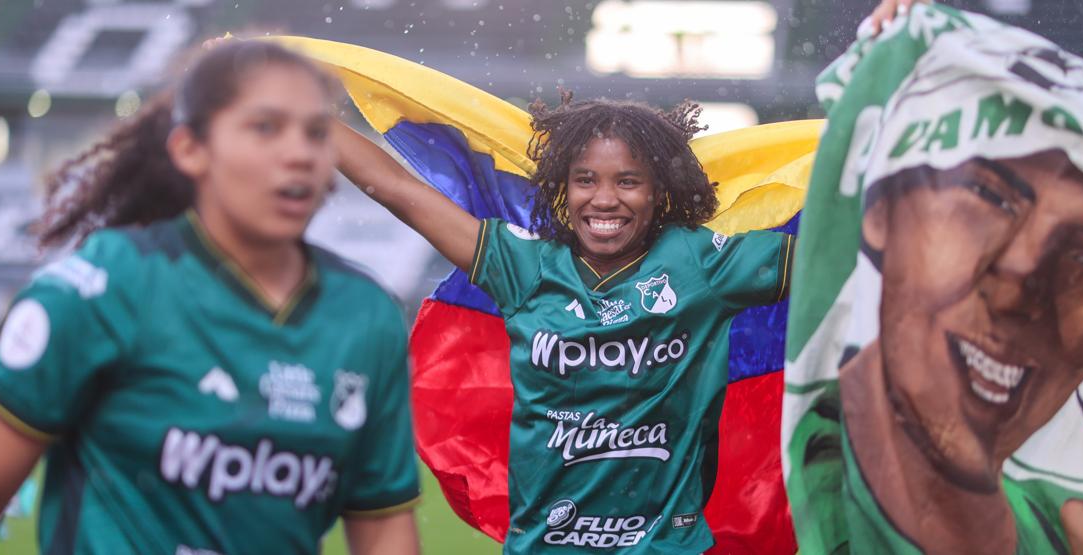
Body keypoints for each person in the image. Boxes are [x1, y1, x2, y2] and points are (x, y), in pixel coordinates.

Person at [0, 41, 421, 555]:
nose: (300, 153)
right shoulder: (105, 287)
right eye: (265, 127)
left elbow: (383, 528)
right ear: (191, 149)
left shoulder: (365, 316)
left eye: (317, 133)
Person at [333, 91, 794, 552]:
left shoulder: (703, 265)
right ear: (562, 187)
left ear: (659, 191)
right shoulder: (522, 267)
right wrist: (304, 120)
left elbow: (833, 253)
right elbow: (394, 186)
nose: (605, 200)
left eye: (628, 181)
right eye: (586, 180)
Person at [833, 149, 1083, 553]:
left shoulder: (1078, 527)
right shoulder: (802, 496)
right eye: (989, 200)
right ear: (882, 216)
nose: (1021, 295)